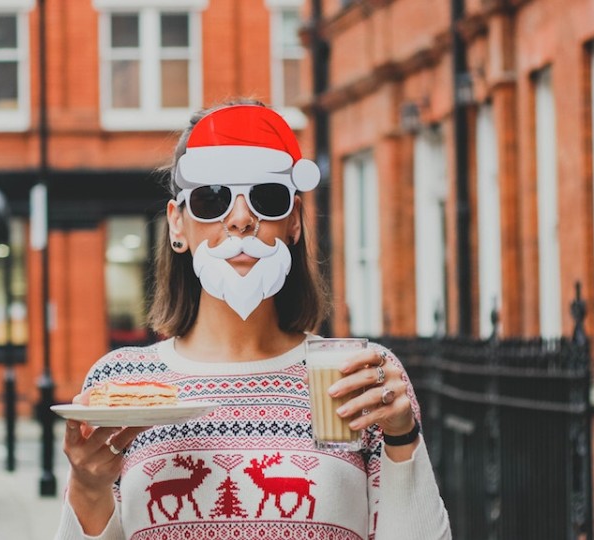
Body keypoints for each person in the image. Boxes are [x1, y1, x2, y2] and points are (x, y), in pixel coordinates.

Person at [55, 101, 451, 539]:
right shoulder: (125, 383)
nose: (241, 220)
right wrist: (89, 489)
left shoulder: (358, 377)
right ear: (177, 225)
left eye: (266, 198)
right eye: (212, 200)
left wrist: (401, 437)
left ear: (294, 222)